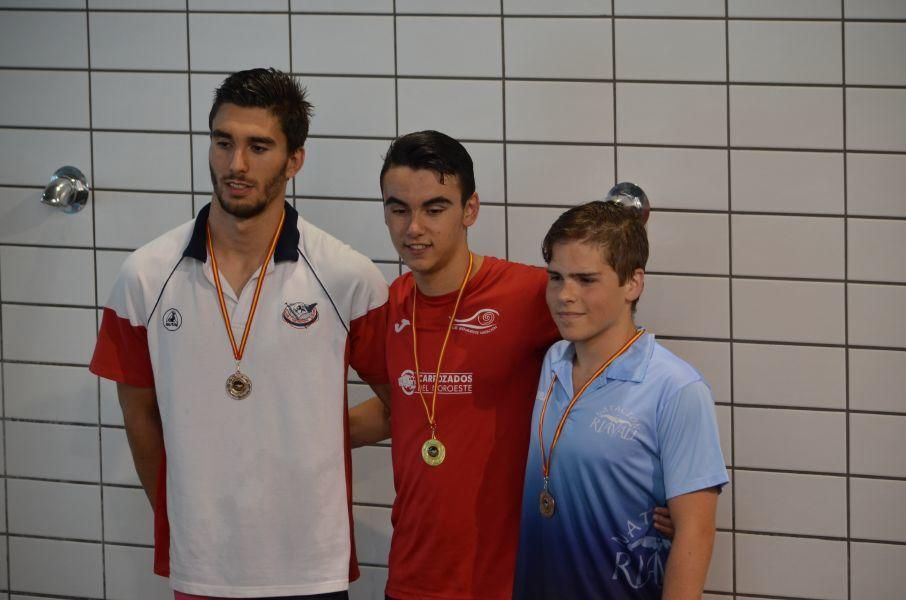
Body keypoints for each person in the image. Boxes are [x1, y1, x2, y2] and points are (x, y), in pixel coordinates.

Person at [90, 68, 389, 599]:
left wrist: (311, 433)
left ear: (295, 159)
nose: (237, 165)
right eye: (223, 142)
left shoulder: (347, 275)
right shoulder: (144, 274)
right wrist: (181, 515)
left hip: (310, 563)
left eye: (259, 146)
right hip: (202, 563)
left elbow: (399, 401)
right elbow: (138, 413)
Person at [349, 131, 673, 599]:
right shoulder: (390, 305)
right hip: (413, 577)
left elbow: (620, 364)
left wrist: (661, 488)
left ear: (470, 210)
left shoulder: (526, 295)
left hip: (509, 580)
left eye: (434, 209)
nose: (414, 227)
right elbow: (398, 409)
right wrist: (299, 446)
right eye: (398, 209)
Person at [513, 201, 728, 599]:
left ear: (633, 283)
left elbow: (695, 532)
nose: (565, 295)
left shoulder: (676, 388)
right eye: (556, 277)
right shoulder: (553, 361)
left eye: (586, 279)